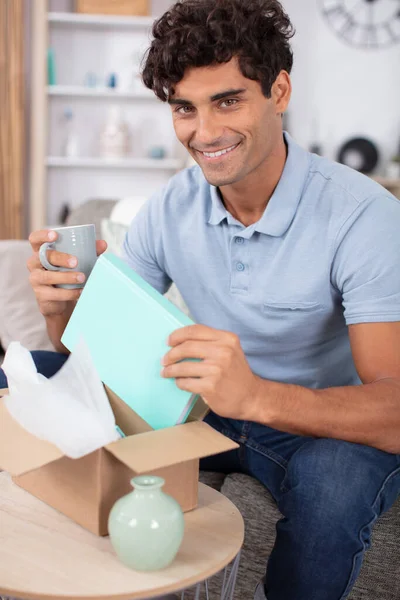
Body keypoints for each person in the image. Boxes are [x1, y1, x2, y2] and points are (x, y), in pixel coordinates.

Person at [2, 0, 400, 598]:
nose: (204, 132)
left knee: (336, 483)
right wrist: (62, 308)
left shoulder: (363, 217)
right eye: (184, 108)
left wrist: (257, 394)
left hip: (314, 426)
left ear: (280, 91)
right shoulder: (171, 205)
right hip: (202, 404)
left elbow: (393, 411)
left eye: (228, 100)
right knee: (22, 372)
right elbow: (96, 361)